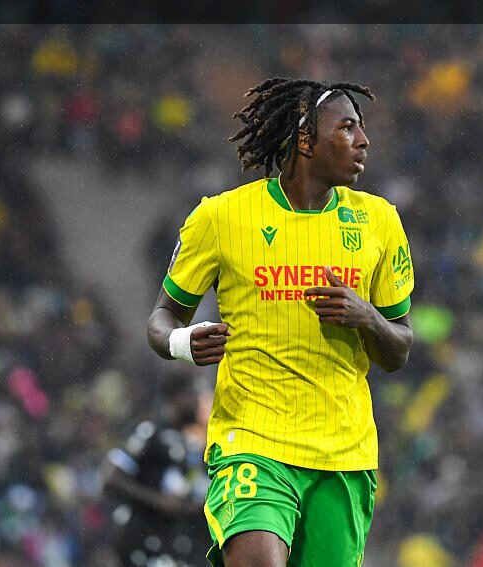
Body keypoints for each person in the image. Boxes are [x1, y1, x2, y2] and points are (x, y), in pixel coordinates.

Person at [147, 77, 415, 566]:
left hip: (343, 454)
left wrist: (366, 316)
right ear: (306, 140)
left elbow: (399, 348)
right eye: (347, 127)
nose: (363, 140)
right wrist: (183, 342)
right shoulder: (221, 217)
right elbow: (162, 319)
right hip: (253, 442)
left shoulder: (379, 221)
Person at [102, 372, 211, 566]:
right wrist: (158, 501)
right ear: (178, 397)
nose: (199, 402)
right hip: (141, 543)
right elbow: (112, 480)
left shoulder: (194, 444)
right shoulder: (150, 431)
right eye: (195, 394)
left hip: (176, 548)